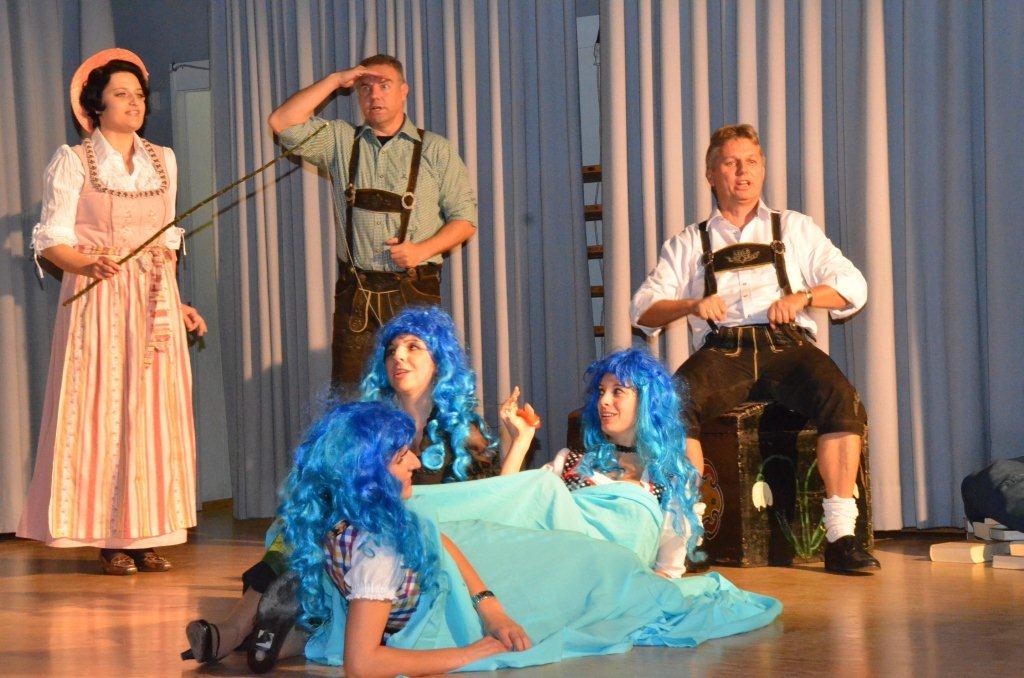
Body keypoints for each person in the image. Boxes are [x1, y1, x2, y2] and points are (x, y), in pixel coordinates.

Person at [279, 401, 780, 675]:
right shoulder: (376, 549)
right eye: (399, 456)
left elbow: (437, 538)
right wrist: (472, 652)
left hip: (482, 570)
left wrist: (490, 607)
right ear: (364, 473)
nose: (413, 461)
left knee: (594, 561)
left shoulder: (368, 519)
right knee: (601, 575)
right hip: (453, 606)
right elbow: (363, 664)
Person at [183, 307, 533, 667]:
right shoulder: (369, 420)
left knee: (337, 542)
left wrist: (519, 442)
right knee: (303, 522)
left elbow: (490, 502)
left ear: (439, 360)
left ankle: (278, 634)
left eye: (413, 346)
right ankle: (239, 628)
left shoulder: (462, 430)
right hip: (366, 543)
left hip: (436, 545)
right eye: (391, 349)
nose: (398, 356)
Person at [630, 123, 878, 574]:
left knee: (841, 400)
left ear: (762, 169)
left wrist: (803, 297)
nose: (742, 172)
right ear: (712, 175)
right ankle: (688, 536)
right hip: (723, 351)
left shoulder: (795, 228)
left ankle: (841, 538)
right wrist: (692, 304)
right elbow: (642, 310)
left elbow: (853, 285)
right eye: (730, 163)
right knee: (672, 404)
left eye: (750, 162)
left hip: (788, 345)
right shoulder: (688, 242)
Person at [16, 49, 206, 575]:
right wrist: (86, 263)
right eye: (121, 94)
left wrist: (176, 301)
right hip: (99, 301)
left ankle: (147, 532)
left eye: (139, 95)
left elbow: (165, 239)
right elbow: (52, 239)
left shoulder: (163, 160)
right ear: (95, 106)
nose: (134, 103)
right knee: (106, 412)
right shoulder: (74, 160)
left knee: (153, 415)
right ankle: (108, 536)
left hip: (153, 303)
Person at [268, 54, 477, 390]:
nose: (374, 95)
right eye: (365, 88)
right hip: (356, 297)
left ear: (404, 91)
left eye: (384, 85)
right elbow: (282, 121)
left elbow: (465, 221)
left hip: (415, 291)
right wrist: (336, 80)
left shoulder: (435, 149)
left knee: (419, 395)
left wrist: (421, 250)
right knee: (352, 398)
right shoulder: (341, 141)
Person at [499, 348, 705, 576]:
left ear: (647, 402)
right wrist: (521, 441)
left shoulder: (669, 481)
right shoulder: (568, 463)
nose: (604, 401)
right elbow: (505, 511)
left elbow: (667, 571)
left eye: (617, 391)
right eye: (601, 391)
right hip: (557, 582)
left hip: (628, 593)